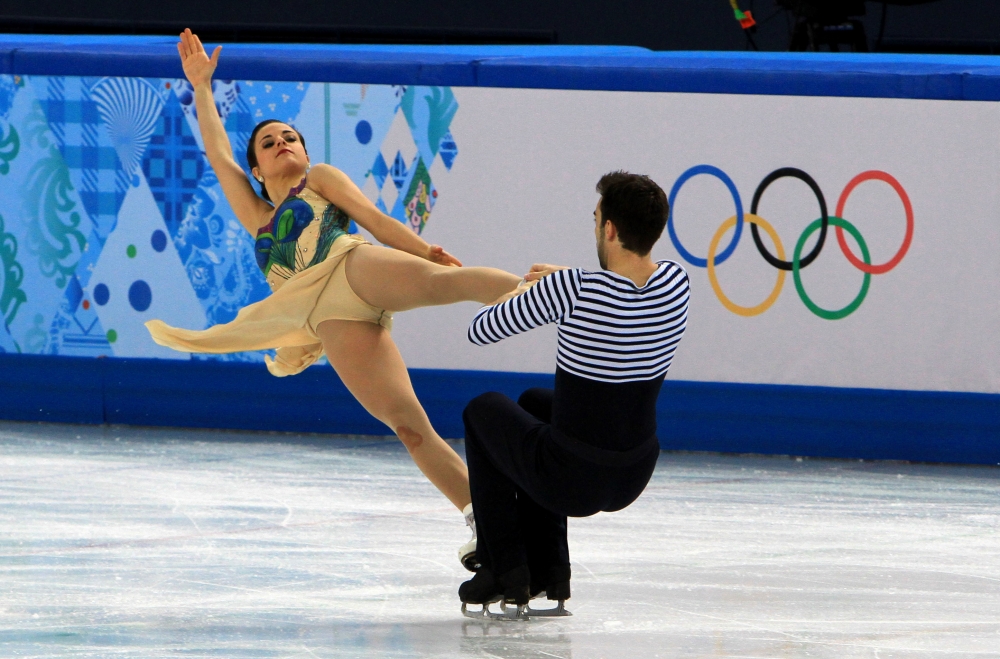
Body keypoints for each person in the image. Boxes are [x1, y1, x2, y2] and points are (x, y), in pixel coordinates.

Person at [146, 30, 522, 532]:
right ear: (256, 168)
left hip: (352, 270)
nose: (282, 143)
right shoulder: (257, 216)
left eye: (290, 137)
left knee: (440, 282)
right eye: (269, 142)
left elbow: (373, 219)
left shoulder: (317, 178)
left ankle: (542, 292)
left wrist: (423, 249)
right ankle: (487, 520)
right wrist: (202, 86)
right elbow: (217, 154)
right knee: (409, 428)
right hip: (328, 318)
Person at [457, 171, 690, 619]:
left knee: (482, 410)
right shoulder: (677, 283)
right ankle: (549, 571)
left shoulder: (572, 289)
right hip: (633, 473)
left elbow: (480, 331)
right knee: (533, 403)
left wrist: (533, 290)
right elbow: (617, 290)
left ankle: (503, 569)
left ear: (609, 229)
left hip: (574, 480)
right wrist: (566, 282)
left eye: (597, 217)